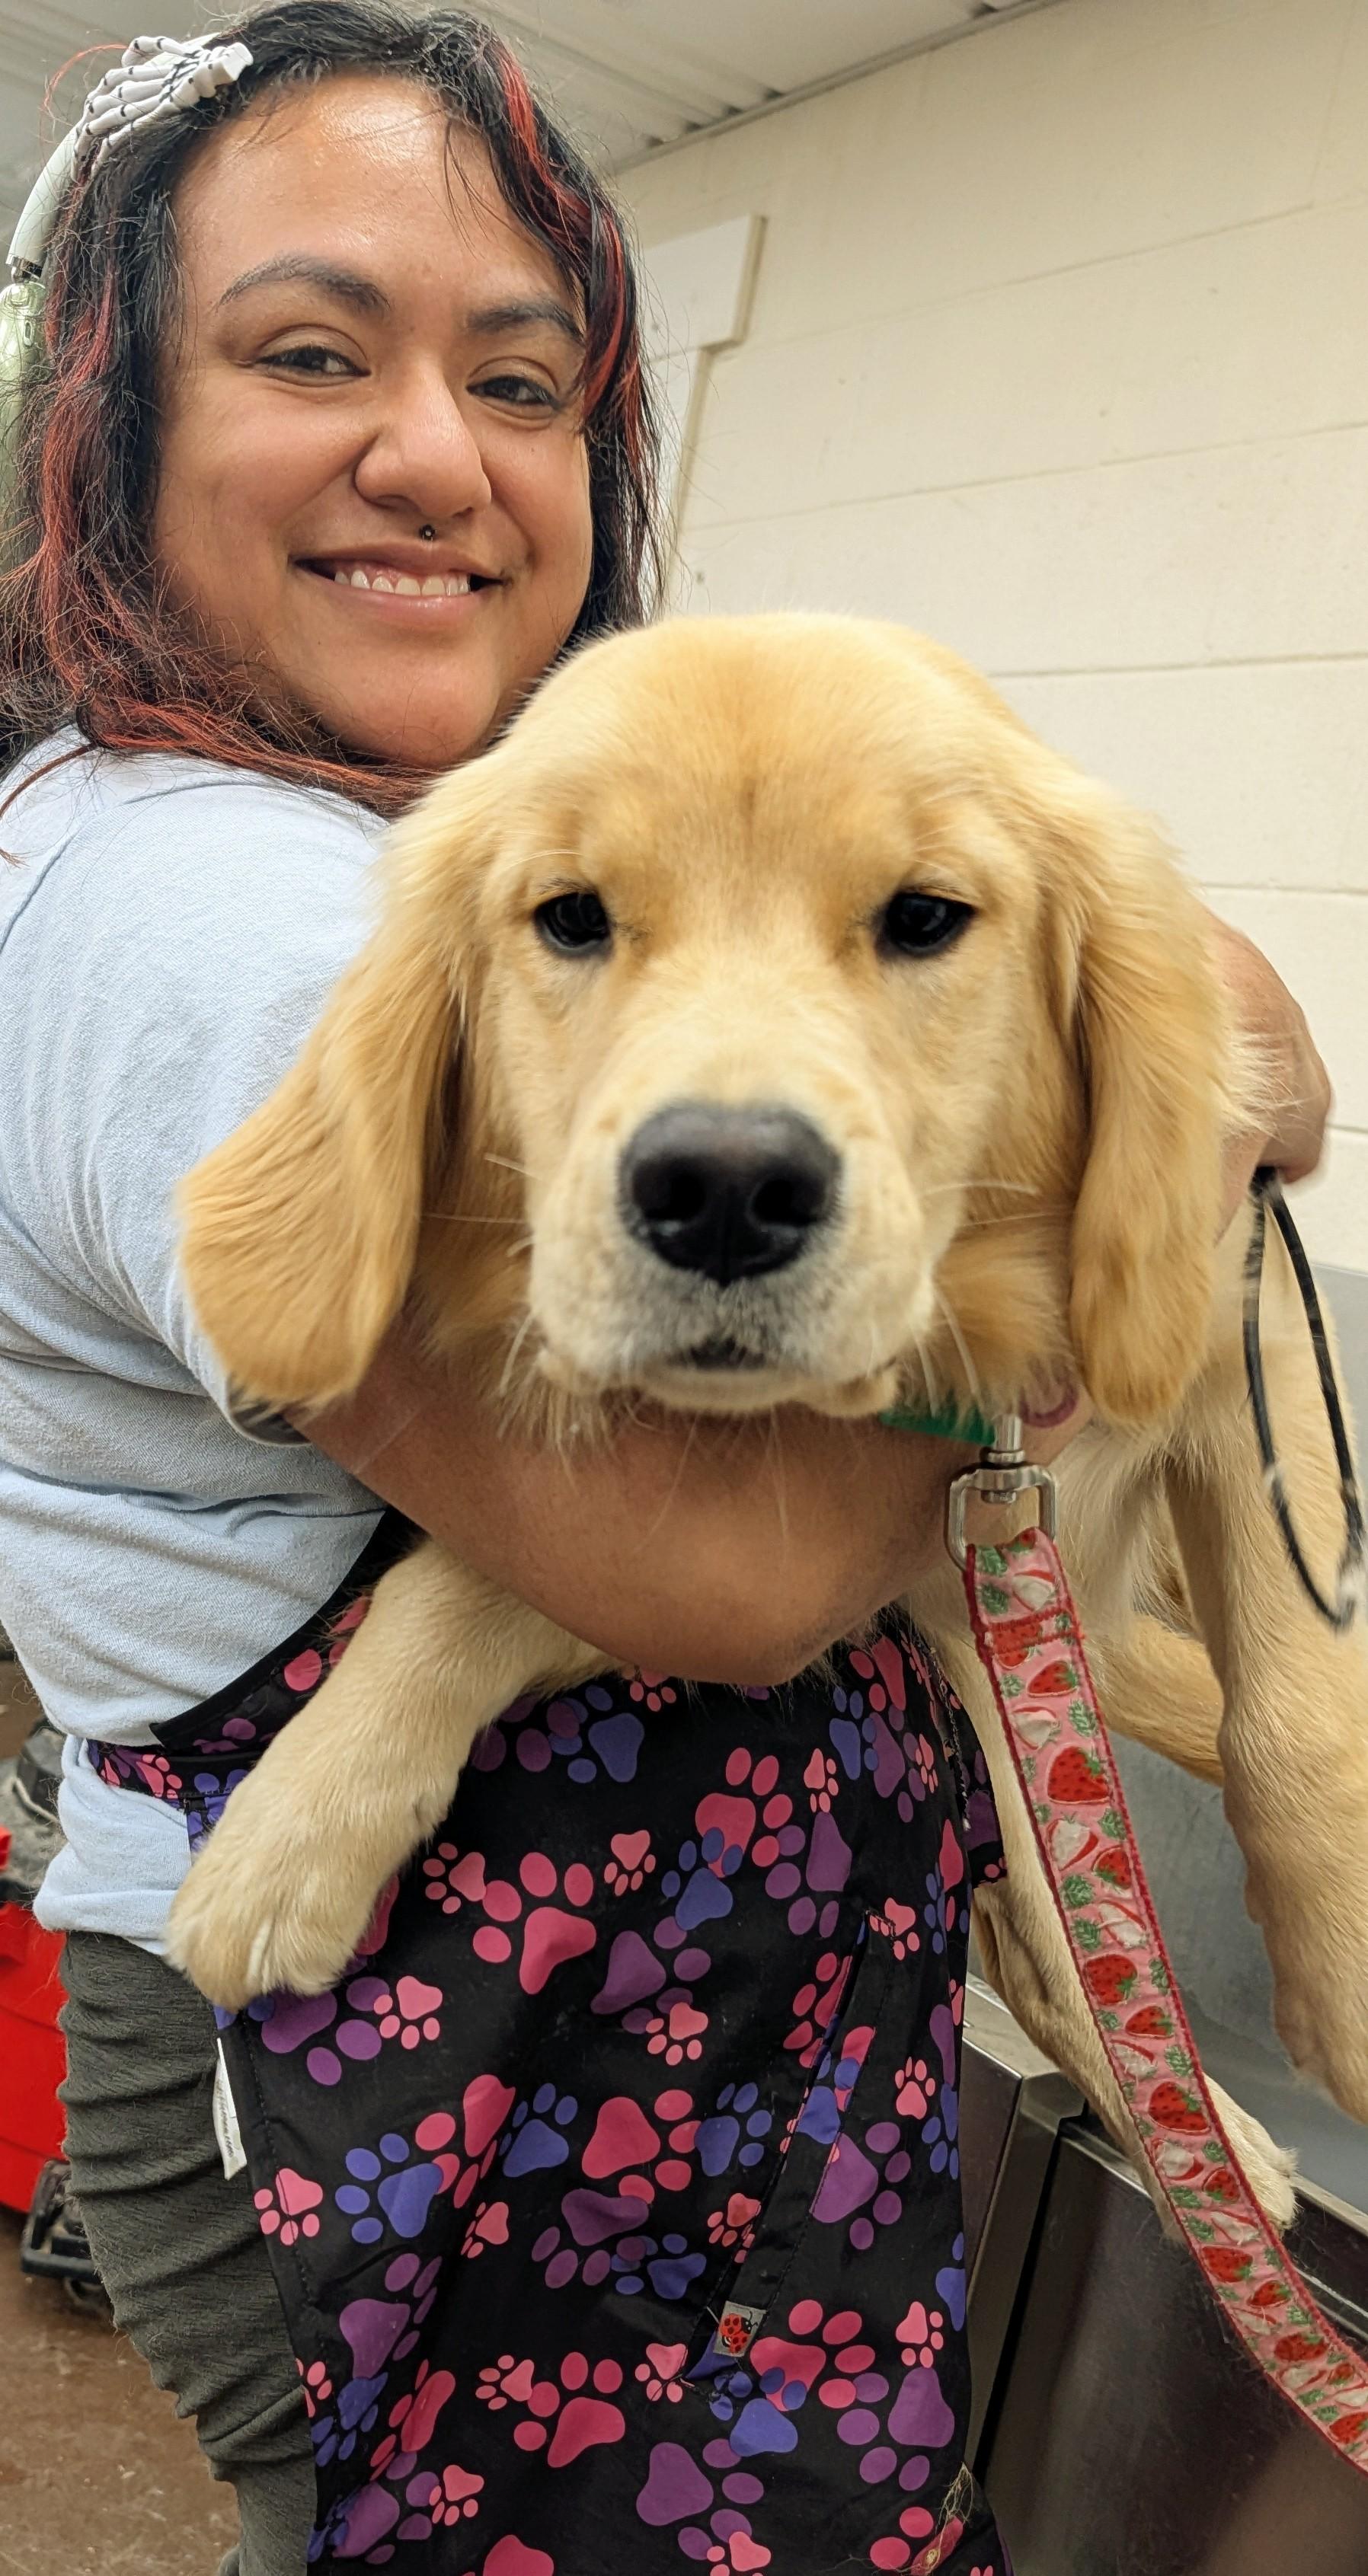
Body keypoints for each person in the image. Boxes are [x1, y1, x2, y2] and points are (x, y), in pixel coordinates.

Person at [0, 8, 1330, 2573]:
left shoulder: (414, 808)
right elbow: (724, 1571)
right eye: (307, 352)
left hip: (685, 2013)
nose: (438, 451)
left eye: (518, 376)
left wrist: (1178, 1030)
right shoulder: (215, 898)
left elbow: (1196, 1077)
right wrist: (1172, 1075)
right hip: (414, 2066)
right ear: (105, 423)